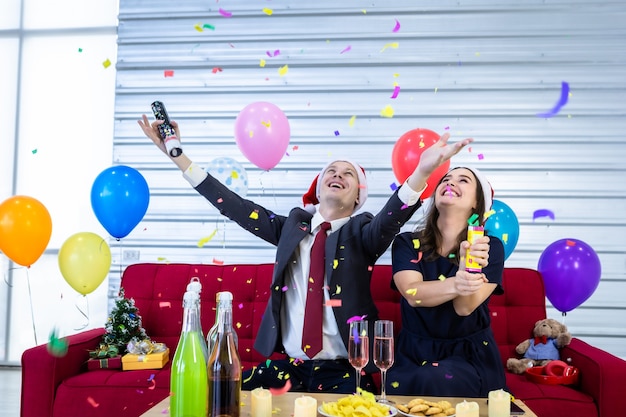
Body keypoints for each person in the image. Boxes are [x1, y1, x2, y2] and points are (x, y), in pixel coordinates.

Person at [138, 114, 472, 393]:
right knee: (214, 395)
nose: (338, 175)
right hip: (286, 368)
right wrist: (178, 156)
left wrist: (422, 172)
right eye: (331, 171)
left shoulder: (364, 233)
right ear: (317, 189)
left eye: (348, 174)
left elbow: (392, 215)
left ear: (358, 197)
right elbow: (236, 208)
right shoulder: (290, 229)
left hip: (345, 371)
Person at [387, 166, 506, 397]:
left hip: (467, 356)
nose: (450, 182)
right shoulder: (407, 243)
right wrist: (457, 281)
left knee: (434, 378)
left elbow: (464, 307)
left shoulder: (489, 248)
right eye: (446, 179)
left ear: (476, 202)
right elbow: (413, 294)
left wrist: (467, 267)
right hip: (413, 353)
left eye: (463, 180)